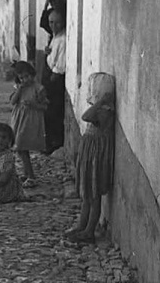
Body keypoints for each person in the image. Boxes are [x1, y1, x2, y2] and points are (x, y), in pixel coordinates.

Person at [65, 73, 115, 244]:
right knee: (87, 196)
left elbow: (86, 117)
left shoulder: (105, 111)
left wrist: (99, 103)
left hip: (95, 158)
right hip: (89, 155)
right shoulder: (100, 109)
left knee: (93, 197)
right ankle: (82, 226)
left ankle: (89, 231)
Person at [10, 61, 48, 188]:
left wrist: (33, 105)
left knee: (22, 147)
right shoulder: (18, 88)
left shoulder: (39, 88)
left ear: (32, 74)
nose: (25, 80)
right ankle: (26, 173)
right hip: (18, 120)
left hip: (30, 121)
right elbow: (13, 102)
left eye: (27, 76)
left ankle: (31, 176)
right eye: (21, 78)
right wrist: (19, 90)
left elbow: (45, 106)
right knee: (20, 147)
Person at [43, 10, 66, 154]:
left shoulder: (63, 39)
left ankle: (54, 142)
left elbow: (60, 65)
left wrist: (52, 78)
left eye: (57, 22)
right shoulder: (55, 36)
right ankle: (50, 140)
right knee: (48, 111)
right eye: (51, 22)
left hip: (55, 79)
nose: (53, 26)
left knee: (53, 112)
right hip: (50, 73)